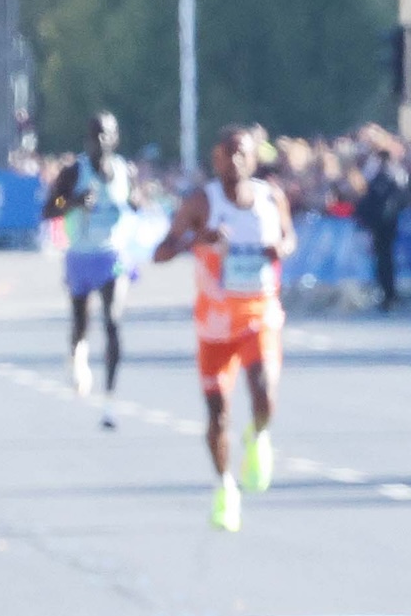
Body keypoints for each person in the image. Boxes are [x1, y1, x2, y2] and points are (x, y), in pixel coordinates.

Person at [152, 126, 296, 533]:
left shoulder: (272, 198)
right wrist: (199, 238)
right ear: (215, 159)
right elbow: (161, 252)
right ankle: (225, 488)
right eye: (227, 154)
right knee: (218, 414)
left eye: (242, 154)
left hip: (260, 312)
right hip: (215, 323)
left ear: (254, 159)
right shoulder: (202, 202)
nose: (234, 161)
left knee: (264, 392)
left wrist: (281, 249)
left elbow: (288, 237)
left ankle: (258, 435)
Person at [39, 111, 138, 427]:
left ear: (116, 138)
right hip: (81, 256)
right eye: (95, 135)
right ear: (87, 139)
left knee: (112, 321)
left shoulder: (125, 170)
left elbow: (136, 201)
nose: (100, 141)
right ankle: (77, 357)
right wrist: (72, 203)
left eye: (106, 134)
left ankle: (110, 400)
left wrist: (137, 202)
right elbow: (48, 209)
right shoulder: (73, 172)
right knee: (81, 321)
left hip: (112, 256)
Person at [353, 135, 409, 312]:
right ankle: (387, 292)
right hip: (385, 220)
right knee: (383, 257)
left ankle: (388, 293)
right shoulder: (392, 173)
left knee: (384, 258)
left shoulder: (386, 174)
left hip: (383, 221)